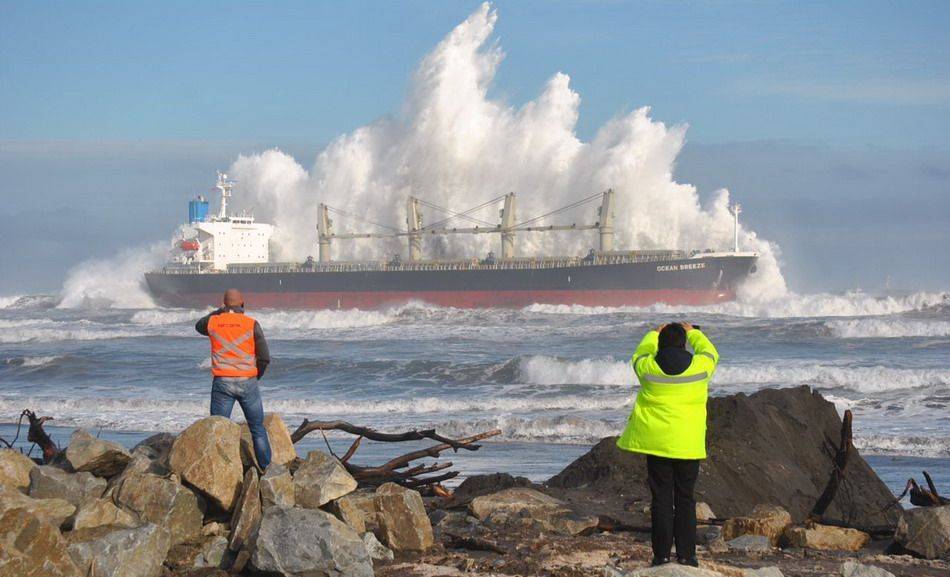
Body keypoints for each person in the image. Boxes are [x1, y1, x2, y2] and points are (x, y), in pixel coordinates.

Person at [616, 322, 719, 567]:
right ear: (684, 343)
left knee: (661, 499)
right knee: (686, 498)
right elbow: (711, 353)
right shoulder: (700, 367)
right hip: (688, 444)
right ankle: (687, 556)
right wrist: (694, 332)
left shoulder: (648, 368)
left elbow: (639, 354)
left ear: (660, 342)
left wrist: (654, 332)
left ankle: (661, 555)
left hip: (657, 444)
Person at [195, 289, 272, 470]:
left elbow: (198, 326)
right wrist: (255, 376)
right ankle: (267, 469)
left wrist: (218, 311)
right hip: (248, 381)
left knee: (219, 429)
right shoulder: (251, 324)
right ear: (243, 303)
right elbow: (265, 357)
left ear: (223, 304)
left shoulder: (213, 322)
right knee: (257, 429)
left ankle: (219, 470)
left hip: (222, 382)